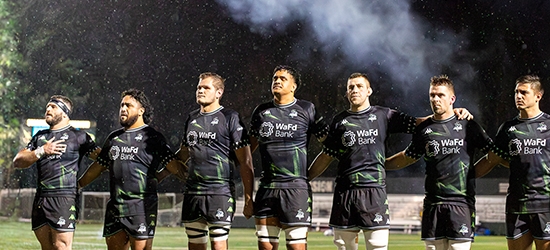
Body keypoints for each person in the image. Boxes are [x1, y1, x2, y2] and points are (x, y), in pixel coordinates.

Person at [308, 73, 473, 250]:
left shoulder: (384, 115)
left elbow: (418, 123)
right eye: (351, 87)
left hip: (374, 192)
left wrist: (451, 114)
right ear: (347, 93)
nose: (355, 90)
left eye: (359, 86)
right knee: (343, 245)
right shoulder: (339, 121)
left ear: (369, 91)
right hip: (344, 192)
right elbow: (327, 154)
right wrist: (306, 177)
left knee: (377, 246)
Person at [385, 75, 493, 250]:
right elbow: (407, 156)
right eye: (432, 95)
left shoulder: (468, 125)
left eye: (440, 95)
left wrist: (472, 173)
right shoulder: (424, 129)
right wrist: (380, 165)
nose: (435, 99)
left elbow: (493, 154)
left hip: (461, 204)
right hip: (433, 205)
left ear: (452, 99)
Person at [78, 89, 186, 250]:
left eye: (128, 105)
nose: (123, 108)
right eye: (121, 105)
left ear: (141, 110)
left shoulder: (152, 137)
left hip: (142, 207)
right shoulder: (114, 138)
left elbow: (175, 167)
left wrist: (191, 177)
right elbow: (98, 167)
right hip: (115, 208)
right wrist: (78, 185)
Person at [249, 65, 329, 250]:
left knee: (296, 247)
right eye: (275, 78)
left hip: (296, 190)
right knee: (266, 247)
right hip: (267, 188)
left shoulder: (307, 109)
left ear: (294, 86)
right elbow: (246, 152)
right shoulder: (261, 112)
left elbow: (330, 148)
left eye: (283, 79)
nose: (277, 81)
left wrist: (307, 176)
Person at [13, 95, 101, 250]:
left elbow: (103, 161)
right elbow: (18, 161)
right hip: (41, 199)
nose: (48, 109)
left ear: (65, 113)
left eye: (53, 107)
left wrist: (81, 182)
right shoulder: (40, 137)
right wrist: (41, 151)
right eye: (47, 106)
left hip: (64, 198)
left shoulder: (79, 137)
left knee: (61, 247)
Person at [178, 72, 254, 250]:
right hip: (193, 193)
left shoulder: (230, 117)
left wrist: (249, 198)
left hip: (220, 192)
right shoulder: (191, 118)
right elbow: (182, 155)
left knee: (219, 244)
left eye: (206, 88)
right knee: (195, 244)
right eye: (198, 87)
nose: (200, 91)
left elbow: (246, 161)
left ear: (219, 92)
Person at [475, 75, 550, 250]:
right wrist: (465, 177)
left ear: (538, 95)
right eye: (516, 92)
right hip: (517, 204)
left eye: (524, 92)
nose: (519, 96)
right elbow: (491, 160)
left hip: (545, 203)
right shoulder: (508, 129)